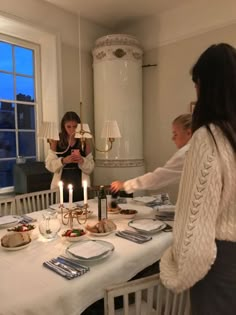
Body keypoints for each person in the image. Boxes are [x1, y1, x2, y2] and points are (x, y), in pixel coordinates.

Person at [160, 43, 236, 315]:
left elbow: (195, 232)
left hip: (218, 268)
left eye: (197, 85)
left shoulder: (207, 138)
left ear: (207, 86)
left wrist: (172, 270)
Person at [110, 113, 192, 194]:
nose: (173, 138)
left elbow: (158, 178)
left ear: (188, 133)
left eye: (175, 134)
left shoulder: (187, 153)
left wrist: (125, 185)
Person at [45, 111, 94, 202]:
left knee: (81, 210)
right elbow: (49, 165)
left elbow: (91, 167)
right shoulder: (57, 139)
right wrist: (63, 161)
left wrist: (81, 160)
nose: (72, 130)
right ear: (63, 126)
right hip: (62, 182)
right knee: (63, 210)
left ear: (79, 126)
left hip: (80, 182)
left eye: (75, 126)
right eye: (69, 127)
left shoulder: (83, 140)